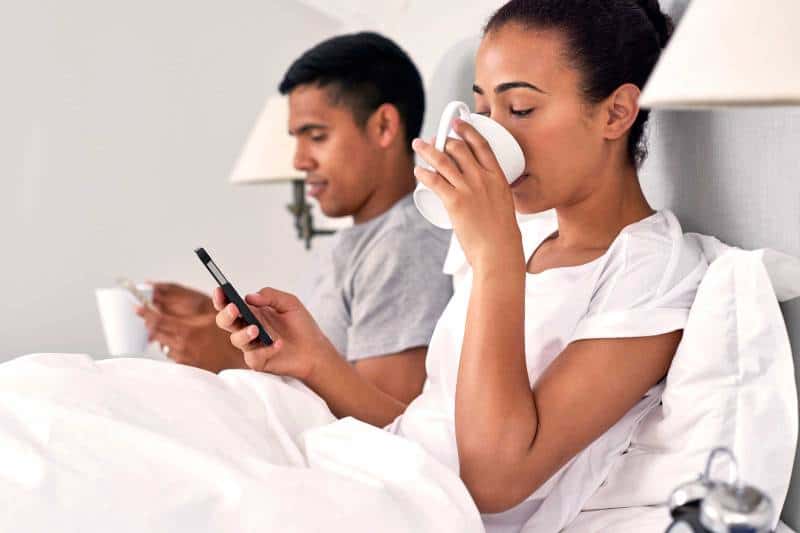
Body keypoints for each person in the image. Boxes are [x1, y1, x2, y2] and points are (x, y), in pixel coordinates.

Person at [214, 0, 708, 530]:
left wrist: (496, 257)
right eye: (485, 112)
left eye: (519, 110)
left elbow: (492, 479)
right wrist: (313, 360)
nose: (493, 137)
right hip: (394, 480)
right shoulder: (523, 234)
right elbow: (430, 437)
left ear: (615, 112)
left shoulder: (650, 271)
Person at [138, 32, 453, 407]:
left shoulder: (405, 247)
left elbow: (388, 436)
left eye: (316, 137)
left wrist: (229, 359)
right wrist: (222, 322)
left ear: (384, 126)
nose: (299, 161)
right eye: (297, 140)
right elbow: (321, 361)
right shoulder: (357, 242)